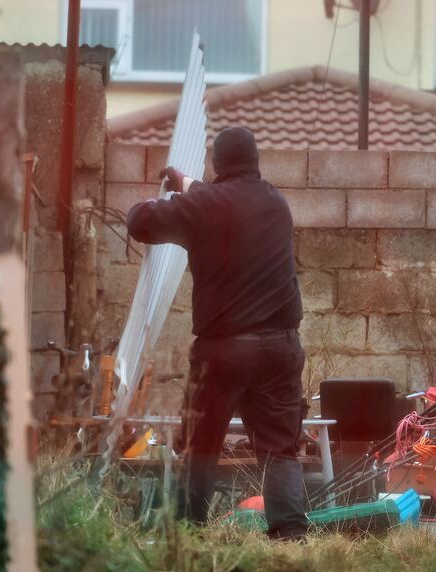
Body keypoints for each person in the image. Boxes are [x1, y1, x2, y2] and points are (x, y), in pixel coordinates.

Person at [126, 126, 308, 540]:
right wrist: (188, 184)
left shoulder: (203, 207)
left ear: (218, 164)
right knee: (280, 449)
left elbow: (141, 223)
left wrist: (159, 197)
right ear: (255, 160)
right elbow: (227, 200)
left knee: (201, 445)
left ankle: (189, 533)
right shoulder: (276, 203)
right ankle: (291, 537)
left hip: (224, 351)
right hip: (280, 347)